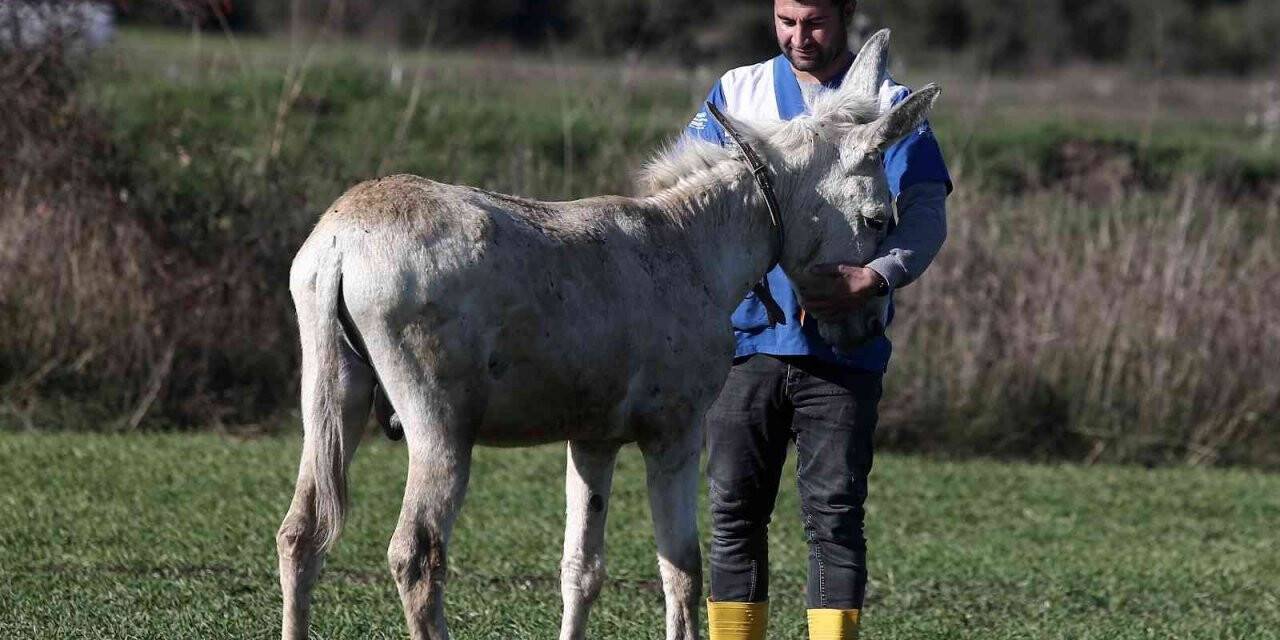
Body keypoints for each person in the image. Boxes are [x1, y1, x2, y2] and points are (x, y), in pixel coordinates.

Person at [684, 2, 952, 639]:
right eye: (785, 20)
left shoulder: (887, 102)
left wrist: (875, 277)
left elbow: (925, 213)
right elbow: (689, 199)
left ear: (847, 15)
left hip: (843, 351)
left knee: (834, 519)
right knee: (732, 514)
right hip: (745, 343)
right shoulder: (736, 91)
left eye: (815, 21)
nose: (799, 37)